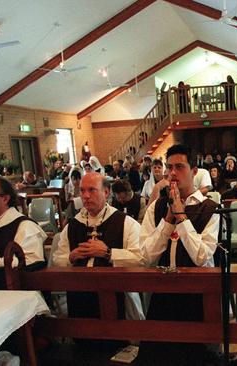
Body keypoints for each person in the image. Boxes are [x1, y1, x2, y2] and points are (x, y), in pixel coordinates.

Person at [137, 144, 219, 365]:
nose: (172, 173)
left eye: (180, 167)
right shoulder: (156, 208)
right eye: (169, 167)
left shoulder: (211, 209)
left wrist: (182, 218)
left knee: (194, 357)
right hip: (162, 293)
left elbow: (201, 257)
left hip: (196, 294)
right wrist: (167, 221)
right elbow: (145, 256)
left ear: (194, 171)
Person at [52, 173, 145, 322]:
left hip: (116, 294)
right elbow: (57, 259)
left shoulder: (126, 223)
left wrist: (108, 253)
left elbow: (140, 259)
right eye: (82, 191)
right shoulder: (72, 225)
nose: (86, 196)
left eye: (91, 190)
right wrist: (71, 256)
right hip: (80, 295)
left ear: (106, 192)